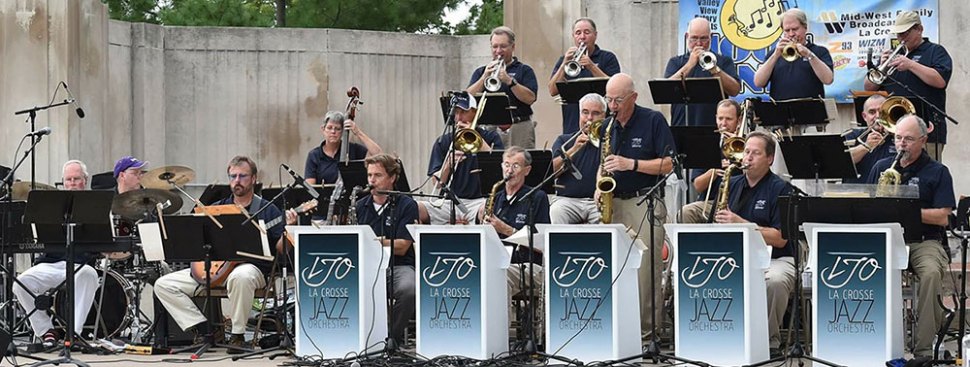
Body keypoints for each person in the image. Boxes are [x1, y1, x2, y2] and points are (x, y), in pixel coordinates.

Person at [154, 156, 296, 353]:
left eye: (242, 176)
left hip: (252, 269)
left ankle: (237, 337)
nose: (237, 180)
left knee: (241, 276)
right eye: (233, 176)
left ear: (254, 179)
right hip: (216, 267)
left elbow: (281, 249)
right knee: (164, 285)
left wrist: (289, 230)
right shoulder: (217, 208)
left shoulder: (267, 209)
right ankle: (204, 329)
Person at [866, 115, 954, 358]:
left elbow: (943, 217)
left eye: (908, 139)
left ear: (923, 140)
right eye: (898, 138)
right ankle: (870, 340)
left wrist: (908, 212)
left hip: (923, 241)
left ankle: (924, 349)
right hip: (885, 239)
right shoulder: (881, 167)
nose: (901, 144)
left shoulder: (938, 171)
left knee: (931, 274)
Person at [597, 73, 675, 340]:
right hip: (614, 202)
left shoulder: (653, 120)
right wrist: (599, 186)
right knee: (613, 266)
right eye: (609, 99)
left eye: (618, 100)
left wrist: (632, 164)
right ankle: (618, 327)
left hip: (644, 202)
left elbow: (669, 164)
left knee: (645, 269)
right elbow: (603, 165)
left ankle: (646, 333)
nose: (612, 105)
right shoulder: (608, 126)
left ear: (633, 97)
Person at [712, 131, 795, 357]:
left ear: (770, 159)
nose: (747, 158)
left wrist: (741, 223)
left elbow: (780, 237)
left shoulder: (781, 188)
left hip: (776, 257)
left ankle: (767, 342)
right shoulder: (733, 183)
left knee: (775, 283)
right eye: (746, 151)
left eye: (755, 153)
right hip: (739, 255)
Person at [12, 160, 98, 347]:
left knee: (89, 275)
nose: (72, 183)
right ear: (63, 182)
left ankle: (73, 334)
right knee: (20, 283)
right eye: (68, 179)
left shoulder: (96, 205)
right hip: (50, 263)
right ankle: (46, 330)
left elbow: (104, 241)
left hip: (80, 265)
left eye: (76, 179)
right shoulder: (49, 205)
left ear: (85, 180)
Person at [479, 146, 550, 341]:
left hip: (530, 265)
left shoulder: (537, 197)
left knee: (499, 274)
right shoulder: (496, 198)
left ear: (527, 170)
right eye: (506, 165)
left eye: (516, 166)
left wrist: (506, 229)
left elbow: (543, 242)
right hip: (500, 261)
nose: (509, 171)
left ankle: (498, 338)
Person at [864, 11, 951, 161]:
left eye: (905, 32)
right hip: (896, 133)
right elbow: (868, 87)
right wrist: (881, 67)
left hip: (927, 131)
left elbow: (940, 80)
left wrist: (911, 64)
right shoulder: (894, 57)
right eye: (898, 34)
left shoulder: (936, 51)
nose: (901, 38)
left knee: (926, 177)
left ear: (919, 29)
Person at [354, 154, 419, 346]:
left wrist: (376, 241)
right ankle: (361, 338)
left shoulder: (407, 204)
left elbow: (402, 246)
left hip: (398, 265)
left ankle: (393, 338)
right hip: (368, 267)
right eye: (369, 175)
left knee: (409, 289)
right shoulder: (359, 206)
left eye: (378, 175)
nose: (372, 180)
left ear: (392, 178)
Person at [418, 92, 504, 224]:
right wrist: (448, 165)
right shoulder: (443, 141)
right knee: (414, 208)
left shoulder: (491, 137)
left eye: (463, 112)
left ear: (475, 113)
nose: (459, 117)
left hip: (478, 201)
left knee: (489, 212)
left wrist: (477, 139)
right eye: (456, 112)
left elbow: (500, 167)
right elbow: (436, 184)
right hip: (448, 201)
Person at [467, 26, 538, 149]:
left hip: (519, 127)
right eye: (495, 46)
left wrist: (509, 81)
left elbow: (530, 98)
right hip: (490, 128)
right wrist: (484, 78)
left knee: (522, 164)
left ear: (513, 47)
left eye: (503, 46)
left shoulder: (524, 70)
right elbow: (468, 99)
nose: (498, 51)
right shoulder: (481, 72)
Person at [548, 18, 621, 134]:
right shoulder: (565, 59)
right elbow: (552, 90)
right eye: (578, 33)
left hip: (602, 124)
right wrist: (564, 64)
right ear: (573, 36)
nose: (582, 37)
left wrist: (591, 66)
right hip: (572, 123)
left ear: (595, 35)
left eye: (587, 32)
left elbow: (616, 87)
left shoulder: (608, 57)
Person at [664, 17, 741, 126]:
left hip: (714, 127)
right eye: (694, 38)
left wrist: (715, 70)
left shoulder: (724, 61)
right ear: (687, 37)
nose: (699, 44)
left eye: (704, 38)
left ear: (710, 38)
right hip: (681, 125)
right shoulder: (675, 62)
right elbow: (666, 90)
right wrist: (689, 64)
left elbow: (735, 90)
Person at [680, 99, 744, 223]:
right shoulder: (707, 145)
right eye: (720, 118)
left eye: (729, 119)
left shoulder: (749, 143)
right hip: (712, 202)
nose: (723, 124)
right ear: (715, 118)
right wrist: (713, 171)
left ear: (739, 120)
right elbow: (698, 186)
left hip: (741, 202)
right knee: (685, 212)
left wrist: (741, 149)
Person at [549, 93, 606, 224]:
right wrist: (573, 150)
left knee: (608, 220)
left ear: (604, 116)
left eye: (595, 113)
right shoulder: (564, 140)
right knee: (555, 211)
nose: (589, 119)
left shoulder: (609, 141)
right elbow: (550, 172)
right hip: (567, 200)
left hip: (596, 201)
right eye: (585, 113)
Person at [753, 8, 834, 100]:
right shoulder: (774, 54)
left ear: (805, 28)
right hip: (780, 111)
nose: (791, 34)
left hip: (811, 110)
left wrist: (809, 55)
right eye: (787, 30)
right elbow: (758, 82)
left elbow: (828, 80)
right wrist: (775, 56)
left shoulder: (820, 51)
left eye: (795, 29)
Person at [304, 110, 383, 185]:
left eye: (337, 129)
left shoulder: (353, 149)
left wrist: (358, 132)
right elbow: (310, 187)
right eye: (329, 128)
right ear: (323, 129)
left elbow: (378, 154)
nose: (333, 132)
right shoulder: (314, 155)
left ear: (343, 131)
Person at [843, 94, 897, 184]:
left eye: (881, 112)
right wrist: (866, 146)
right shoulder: (852, 134)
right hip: (857, 193)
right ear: (864, 116)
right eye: (872, 112)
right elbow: (841, 161)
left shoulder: (898, 137)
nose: (877, 116)